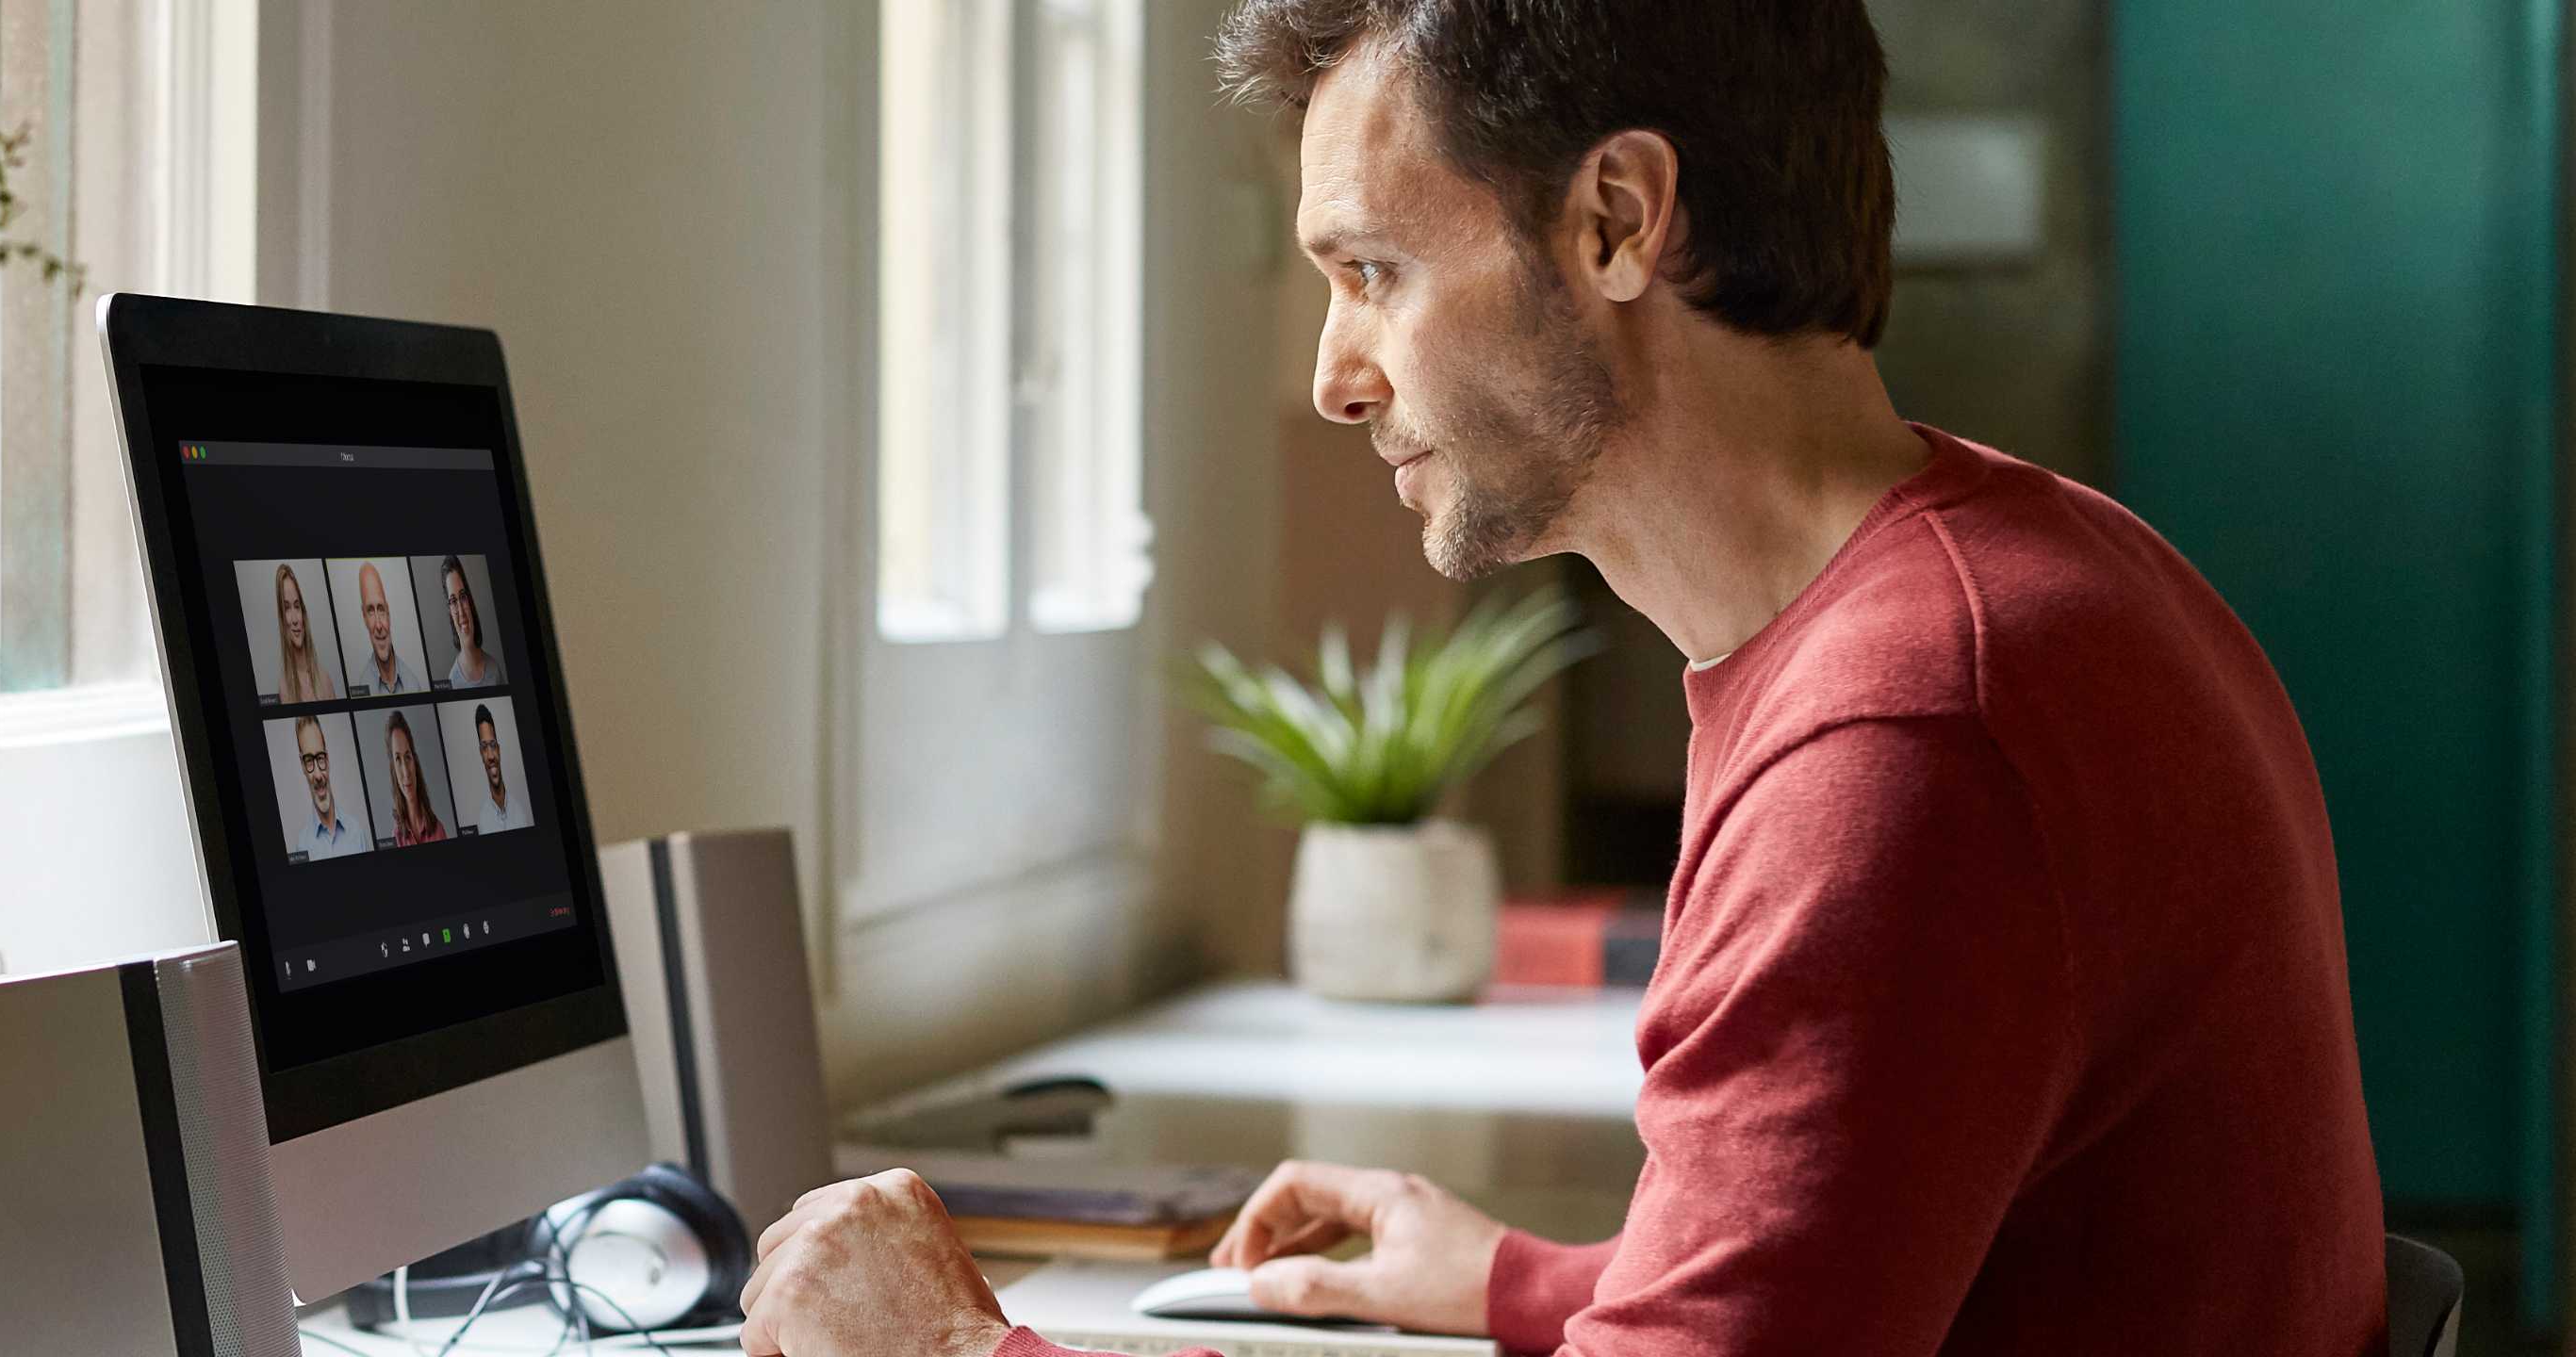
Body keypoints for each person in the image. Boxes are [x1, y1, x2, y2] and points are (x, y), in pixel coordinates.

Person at [735, 4, 2385, 1356]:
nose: (1334, 376)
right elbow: (1911, 1236)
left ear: (1615, 220)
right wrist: (1536, 1282)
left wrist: (953, 1355)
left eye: (1372, 270)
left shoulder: (1908, 726)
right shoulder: (2023, 571)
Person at [287, 717, 364, 861]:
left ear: (327, 759)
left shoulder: (357, 832)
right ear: (302, 766)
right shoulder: (301, 847)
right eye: (309, 760)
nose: (317, 775)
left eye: (320, 758)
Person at [383, 711, 452, 846]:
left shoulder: (438, 830)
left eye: (408, 757)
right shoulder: (396, 839)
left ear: (415, 761)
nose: (406, 772)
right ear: (393, 770)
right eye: (398, 759)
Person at [270, 564, 334, 703]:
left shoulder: (325, 679)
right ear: (281, 618)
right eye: (287, 608)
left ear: (303, 613)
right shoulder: (284, 689)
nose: (295, 620)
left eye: (297, 606)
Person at [353, 562, 419, 695]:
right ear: (364, 617)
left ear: (388, 613)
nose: (378, 625)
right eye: (370, 611)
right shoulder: (362, 688)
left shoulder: (413, 683)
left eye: (381, 609)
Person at [465, 704, 530, 833]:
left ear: (499, 750)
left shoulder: (521, 814)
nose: (490, 756)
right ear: (481, 754)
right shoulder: (481, 821)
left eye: (493, 745)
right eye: (484, 747)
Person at [439, 556, 500, 688]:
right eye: (453, 601)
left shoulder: (494, 669)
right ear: (449, 611)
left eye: (463, 597)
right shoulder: (452, 682)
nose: (461, 611)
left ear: (470, 601)